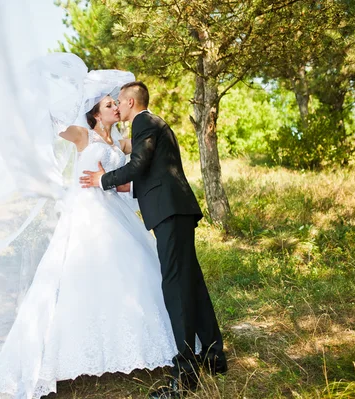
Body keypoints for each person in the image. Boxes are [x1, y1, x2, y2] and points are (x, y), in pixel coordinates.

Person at [0, 89, 200, 399]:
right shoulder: (82, 135)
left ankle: (144, 347)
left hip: (115, 211)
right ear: (97, 114)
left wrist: (119, 181)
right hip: (88, 215)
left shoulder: (122, 142)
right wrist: (43, 98)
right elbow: (55, 126)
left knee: (136, 275)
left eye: (116, 102)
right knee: (81, 278)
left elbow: (134, 173)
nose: (115, 107)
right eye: (109, 104)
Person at [80, 81, 227, 398]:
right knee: (192, 283)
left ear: (131, 103)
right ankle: (214, 356)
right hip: (176, 210)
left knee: (175, 288)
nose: (117, 107)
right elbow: (154, 172)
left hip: (170, 214)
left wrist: (102, 179)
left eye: (119, 102)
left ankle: (184, 377)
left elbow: (139, 165)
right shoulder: (153, 124)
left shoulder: (144, 121)